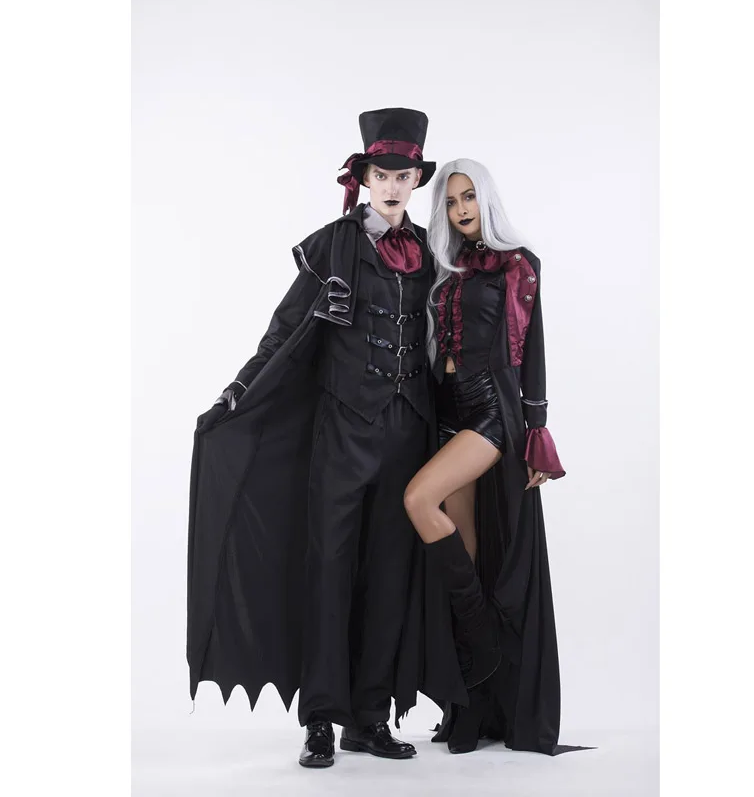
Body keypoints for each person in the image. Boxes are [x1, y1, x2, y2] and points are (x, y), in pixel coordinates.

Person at [186, 108, 443, 768]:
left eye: (403, 175)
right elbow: (283, 329)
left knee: (390, 572)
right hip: (342, 430)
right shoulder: (331, 244)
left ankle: (370, 717)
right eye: (382, 174)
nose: (392, 185)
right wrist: (237, 390)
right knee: (328, 570)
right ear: (365, 177)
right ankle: (322, 719)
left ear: (417, 179)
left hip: (408, 430)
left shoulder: (430, 251)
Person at [404, 159, 567, 754]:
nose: (460, 209)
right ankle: (472, 698)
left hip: (492, 412)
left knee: (418, 500)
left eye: (468, 196)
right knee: (466, 556)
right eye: (450, 202)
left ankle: (487, 651)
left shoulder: (518, 263)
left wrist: (537, 429)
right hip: (447, 410)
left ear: (486, 199)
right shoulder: (442, 269)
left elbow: (533, 348)